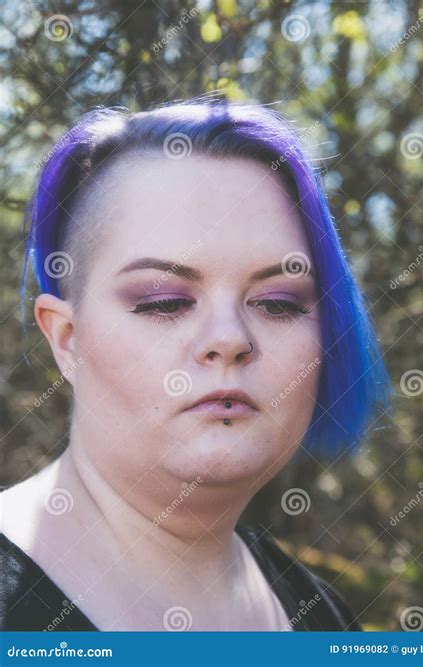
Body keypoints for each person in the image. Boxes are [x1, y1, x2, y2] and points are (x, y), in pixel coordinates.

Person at [0, 97, 391, 631]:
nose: (229, 340)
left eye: (278, 302)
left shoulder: (322, 617)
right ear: (67, 340)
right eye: (164, 301)